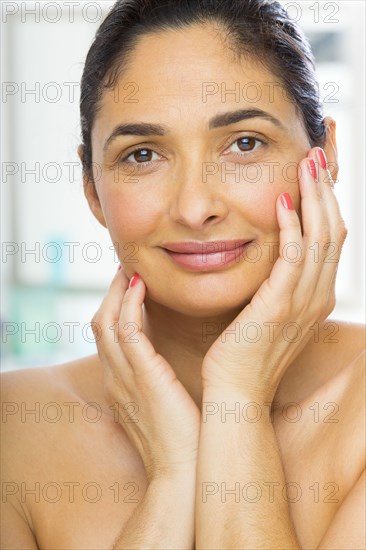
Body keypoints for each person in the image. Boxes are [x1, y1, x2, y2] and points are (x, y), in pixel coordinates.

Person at [1, 0, 365, 548]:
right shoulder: (15, 428)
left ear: (326, 157)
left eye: (245, 143)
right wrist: (175, 474)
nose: (195, 207)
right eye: (143, 155)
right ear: (92, 190)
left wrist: (237, 399)